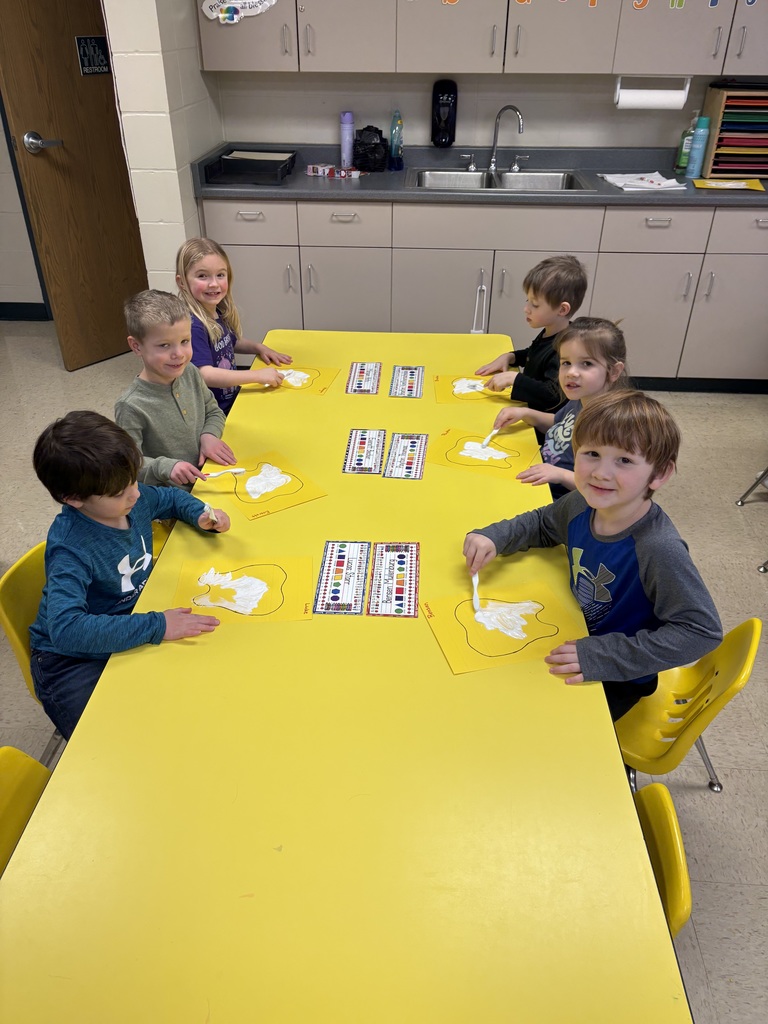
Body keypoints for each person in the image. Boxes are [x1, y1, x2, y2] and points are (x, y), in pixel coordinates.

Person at [463, 390, 722, 722]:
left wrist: (603, 656)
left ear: (659, 474)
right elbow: (543, 523)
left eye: (624, 460)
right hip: (571, 630)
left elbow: (701, 631)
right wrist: (494, 536)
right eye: (592, 454)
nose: (600, 472)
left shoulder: (658, 548)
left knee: (529, 725)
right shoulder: (582, 503)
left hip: (616, 674)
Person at [29, 411, 231, 740]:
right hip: (68, 660)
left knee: (192, 702)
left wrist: (201, 514)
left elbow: (170, 498)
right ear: (74, 499)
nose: (135, 494)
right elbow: (67, 630)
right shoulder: (70, 548)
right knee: (111, 740)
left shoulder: (130, 499)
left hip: (130, 618)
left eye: (133, 480)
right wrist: (157, 626)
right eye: (118, 492)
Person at [491, 317, 629, 500]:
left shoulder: (609, 425)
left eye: (587, 363)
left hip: (560, 499)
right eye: (566, 363)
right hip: (540, 473)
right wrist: (526, 414)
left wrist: (560, 475)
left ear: (614, 371)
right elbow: (558, 423)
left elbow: (605, 486)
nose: (571, 372)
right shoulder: (580, 399)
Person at [116, 289, 236, 488]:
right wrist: (166, 467)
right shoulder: (130, 406)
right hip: (172, 496)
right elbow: (129, 464)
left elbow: (213, 411)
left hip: (210, 477)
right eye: (164, 345)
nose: (179, 354)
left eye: (184, 341)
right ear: (136, 346)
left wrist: (209, 435)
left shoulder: (190, 372)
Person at [175, 237, 292, 414]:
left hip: (231, 400)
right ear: (182, 282)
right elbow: (205, 374)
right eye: (202, 276)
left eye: (220, 275)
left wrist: (258, 348)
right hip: (213, 413)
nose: (214, 284)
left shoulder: (216, 311)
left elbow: (231, 341)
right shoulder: (193, 326)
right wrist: (256, 375)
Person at [475, 254, 588, 417]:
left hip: (541, 424)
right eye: (527, 300)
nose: (526, 309)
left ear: (562, 310)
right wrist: (511, 357)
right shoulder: (552, 331)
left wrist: (515, 379)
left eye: (534, 304)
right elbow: (535, 354)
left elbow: (553, 395)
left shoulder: (567, 348)